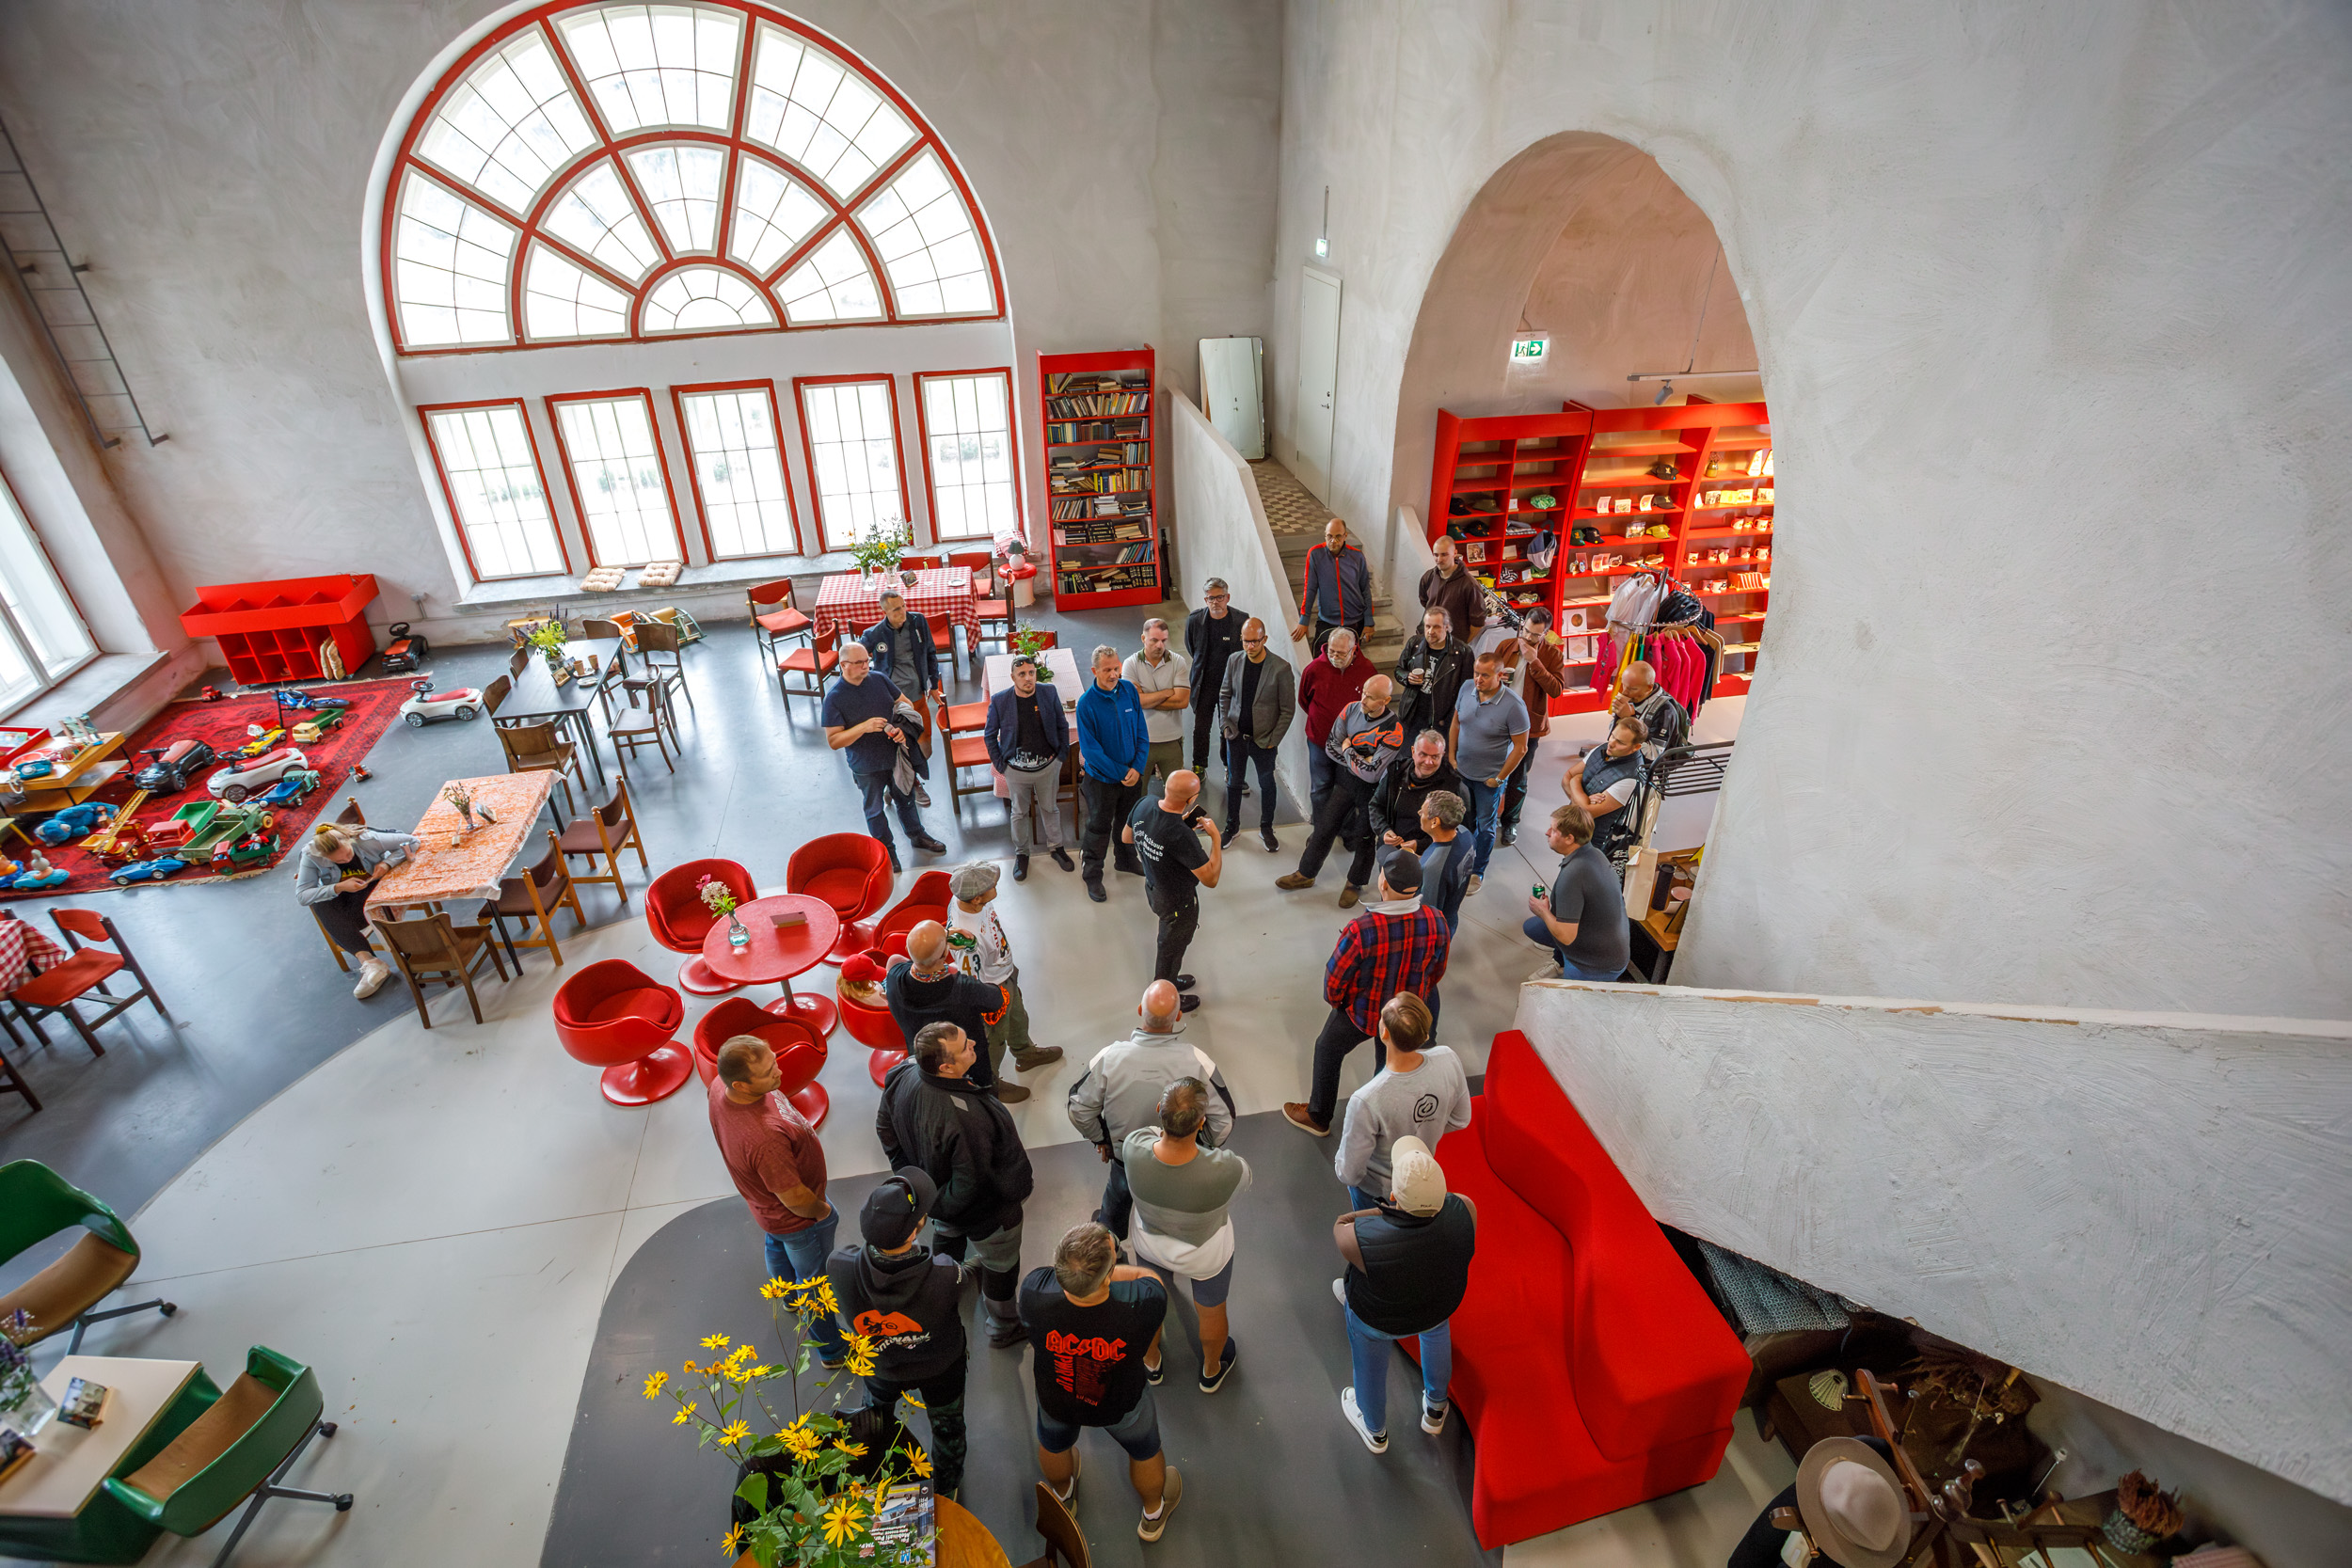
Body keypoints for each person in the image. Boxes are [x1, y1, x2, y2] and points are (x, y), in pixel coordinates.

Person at [1022, 1222, 1184, 1543]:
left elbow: (1060, 1279)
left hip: (1057, 1397)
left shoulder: (1033, 1291)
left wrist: (1089, 1276)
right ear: (1109, 1274)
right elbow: (1151, 1280)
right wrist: (1107, 1273)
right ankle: (1153, 1514)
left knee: (1054, 1444)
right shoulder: (1141, 1304)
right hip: (1120, 1403)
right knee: (1145, 1452)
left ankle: (1064, 1495)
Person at [876, 1021, 1034, 1347]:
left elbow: (885, 1127)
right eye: (965, 1046)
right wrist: (940, 1203)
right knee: (1001, 1265)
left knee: (947, 1235)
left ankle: (946, 1286)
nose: (974, 1042)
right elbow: (972, 1182)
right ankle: (1003, 1325)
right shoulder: (966, 1116)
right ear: (946, 1067)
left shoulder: (903, 1072)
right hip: (985, 1214)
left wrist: (919, 1187)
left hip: (937, 1197)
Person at [1283, 851, 1452, 1137]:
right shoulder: (1436, 920)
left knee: (1327, 1048)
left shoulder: (1362, 929)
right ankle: (1379, 1120)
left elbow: (1334, 981)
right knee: (1386, 1066)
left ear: (1382, 883)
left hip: (1364, 1013)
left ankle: (1319, 1116)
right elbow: (1437, 971)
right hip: (1404, 1016)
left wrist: (1339, 1003)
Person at [826, 1169, 969, 1499]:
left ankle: (875, 1481)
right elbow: (969, 1280)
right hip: (941, 1367)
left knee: (872, 1426)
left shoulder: (838, 1265)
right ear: (918, 1227)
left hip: (880, 1369)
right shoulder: (946, 1274)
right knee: (948, 1429)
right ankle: (947, 1489)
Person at [1333, 1135, 1477, 1454]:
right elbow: (1455, 1202)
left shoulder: (1360, 1238)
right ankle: (1436, 1408)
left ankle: (1374, 1430)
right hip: (1437, 1305)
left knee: (1369, 1367)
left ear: (1394, 1195)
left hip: (1378, 1320)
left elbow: (1341, 1223)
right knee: (1436, 1335)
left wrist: (1384, 1211)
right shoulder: (1465, 1208)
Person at [709, 1034, 847, 1364]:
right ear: (741, 1085)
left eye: (774, 1061)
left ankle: (787, 1297)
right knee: (814, 1284)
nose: (779, 1071)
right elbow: (795, 1199)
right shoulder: (764, 1138)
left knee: (776, 1245)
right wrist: (822, 1211)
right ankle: (832, 1350)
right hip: (798, 1219)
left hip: (768, 1211)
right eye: (769, 1071)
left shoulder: (718, 1087)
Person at [1067, 979, 1236, 1240]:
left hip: (1125, 1157)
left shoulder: (1108, 1058)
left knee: (1116, 1199)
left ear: (1139, 1010)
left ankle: (1110, 1242)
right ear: (1178, 1016)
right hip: (1178, 1158)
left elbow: (1078, 1108)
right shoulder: (1198, 1062)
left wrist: (1102, 1139)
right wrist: (1199, 1144)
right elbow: (1223, 1121)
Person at [1123, 1078, 1249, 1393]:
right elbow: (1244, 1181)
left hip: (1150, 1246)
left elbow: (1150, 1135)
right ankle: (1211, 1370)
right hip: (1204, 1255)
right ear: (1201, 1122)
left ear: (1159, 1110)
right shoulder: (1224, 1168)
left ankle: (1151, 1362)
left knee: (1149, 1304)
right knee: (1211, 1309)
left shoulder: (1133, 1146)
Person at [1333, 993, 1470, 1212]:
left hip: (1377, 1191)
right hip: (1422, 1178)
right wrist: (1426, 1129)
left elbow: (1349, 1173)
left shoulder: (1366, 1100)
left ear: (1384, 1033)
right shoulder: (1448, 1058)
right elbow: (1461, 1119)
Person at [1275, 675, 1403, 906]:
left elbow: (1373, 774)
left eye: (1371, 697)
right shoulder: (1351, 709)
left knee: (1364, 837)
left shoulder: (1394, 729)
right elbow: (1330, 747)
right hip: (1346, 782)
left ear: (1385, 700)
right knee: (1325, 826)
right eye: (1363, 692)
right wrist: (1361, 760)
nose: (1363, 699)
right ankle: (1306, 873)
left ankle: (1355, 883)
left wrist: (1348, 749)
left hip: (1373, 792)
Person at [822, 641, 947, 870]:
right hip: (866, 765)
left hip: (895, 755)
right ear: (843, 664)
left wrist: (900, 729)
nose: (866, 666)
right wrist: (864, 727)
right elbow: (834, 741)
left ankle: (917, 835)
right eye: (859, 663)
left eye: (867, 660)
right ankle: (886, 851)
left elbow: (905, 704)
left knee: (906, 797)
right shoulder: (834, 698)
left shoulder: (879, 679)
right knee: (875, 809)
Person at [945, 863, 1065, 1092]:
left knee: (1018, 1017)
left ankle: (1025, 1054)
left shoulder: (967, 900)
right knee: (995, 1039)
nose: (996, 885)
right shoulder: (969, 939)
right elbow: (972, 981)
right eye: (992, 885)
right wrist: (991, 1002)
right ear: (977, 898)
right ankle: (991, 1084)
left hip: (1004, 973)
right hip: (992, 989)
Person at [1120, 770, 1222, 1009]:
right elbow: (1211, 879)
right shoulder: (1181, 835)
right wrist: (1216, 839)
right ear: (1191, 799)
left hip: (1154, 889)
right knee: (1170, 949)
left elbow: (1127, 837)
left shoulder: (1144, 803)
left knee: (1171, 945)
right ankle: (1164, 996)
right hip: (1178, 903)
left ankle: (1171, 980)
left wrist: (1176, 825)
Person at [884, 921, 1015, 1097]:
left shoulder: (894, 977)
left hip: (926, 1065)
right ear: (946, 953)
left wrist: (940, 943)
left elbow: (899, 962)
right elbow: (997, 999)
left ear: (907, 950)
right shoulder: (963, 988)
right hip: (969, 1065)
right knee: (980, 1096)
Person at [295, 821, 420, 998]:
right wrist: (339, 887)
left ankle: (376, 963)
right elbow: (302, 895)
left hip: (374, 887)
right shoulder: (310, 854)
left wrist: (387, 863)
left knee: (328, 908)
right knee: (320, 903)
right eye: (338, 861)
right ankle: (369, 962)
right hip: (347, 899)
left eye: (348, 854)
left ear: (349, 840)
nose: (346, 860)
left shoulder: (367, 840)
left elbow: (412, 841)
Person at [982, 653, 1073, 880]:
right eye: (1022, 674)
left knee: (1050, 808)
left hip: (1048, 767)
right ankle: (1022, 853)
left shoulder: (1048, 692)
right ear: (1013, 677)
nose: (1028, 678)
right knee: (1019, 813)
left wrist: (1061, 756)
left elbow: (1062, 725)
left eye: (1031, 673)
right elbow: (989, 735)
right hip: (1015, 771)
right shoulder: (1000, 701)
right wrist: (1001, 765)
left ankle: (1057, 847)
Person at [1448, 651, 1531, 888]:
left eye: (1485, 675)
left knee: (1485, 827)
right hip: (1462, 772)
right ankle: (1462, 859)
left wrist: (1500, 779)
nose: (1478, 679)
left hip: (1488, 780)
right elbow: (1456, 723)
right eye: (1476, 673)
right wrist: (1451, 756)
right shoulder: (1466, 688)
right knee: (1464, 820)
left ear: (1500, 675)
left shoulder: (1514, 706)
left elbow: (1521, 748)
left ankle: (1478, 871)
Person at [1075, 644, 1150, 904]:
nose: (1113, 674)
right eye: (1107, 670)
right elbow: (1091, 751)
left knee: (1129, 822)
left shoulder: (1129, 691)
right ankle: (1092, 875)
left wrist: (1138, 767)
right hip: (1102, 781)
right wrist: (1123, 772)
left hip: (1132, 776)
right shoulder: (1086, 704)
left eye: (1116, 668)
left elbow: (1141, 731)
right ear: (1094, 670)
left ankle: (1126, 859)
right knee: (1098, 828)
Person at [1524, 802, 1631, 981]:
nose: (1547, 833)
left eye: (1554, 830)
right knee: (1532, 927)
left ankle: (1574, 966)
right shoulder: (1594, 854)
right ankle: (1561, 961)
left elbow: (1566, 937)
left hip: (1597, 964)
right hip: (1604, 937)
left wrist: (1543, 911)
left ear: (1569, 838)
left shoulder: (1574, 874)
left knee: (1570, 996)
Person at [859, 589, 946, 803]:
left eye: (904, 606)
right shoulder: (874, 634)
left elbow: (931, 653)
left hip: (918, 695)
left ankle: (898, 784)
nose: (903, 612)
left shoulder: (918, 622)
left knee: (925, 744)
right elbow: (856, 659)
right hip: (893, 702)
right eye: (896, 609)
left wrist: (933, 685)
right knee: (903, 746)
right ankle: (912, 784)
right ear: (885, 612)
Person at [1216, 618, 1295, 850]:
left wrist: (1273, 740)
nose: (1250, 646)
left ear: (1264, 639)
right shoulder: (1234, 660)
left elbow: (1287, 710)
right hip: (1236, 736)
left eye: (1255, 641)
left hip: (1264, 741)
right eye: (1245, 641)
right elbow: (1224, 694)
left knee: (1267, 784)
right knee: (1234, 783)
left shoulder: (1281, 668)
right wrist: (1225, 725)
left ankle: (1266, 828)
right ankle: (1231, 827)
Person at [1492, 608, 1565, 846]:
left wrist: (1535, 661)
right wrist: (1496, 679)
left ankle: (1511, 821)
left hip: (1529, 724)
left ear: (1545, 634)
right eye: (1526, 631)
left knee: (1519, 775)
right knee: (1493, 768)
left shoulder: (1552, 654)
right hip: (1500, 719)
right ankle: (1488, 815)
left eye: (1535, 635)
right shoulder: (1506, 646)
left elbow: (1556, 690)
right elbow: (1487, 676)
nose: (1528, 638)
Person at [1297, 626, 1374, 828]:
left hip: (1350, 745)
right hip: (1319, 742)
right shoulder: (1314, 669)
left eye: (1341, 653)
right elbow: (1304, 700)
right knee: (1320, 788)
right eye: (1331, 651)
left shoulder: (1367, 670)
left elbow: (1372, 706)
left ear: (1353, 650)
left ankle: (1345, 831)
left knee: (1346, 790)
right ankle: (1320, 830)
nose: (1334, 656)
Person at [1183, 578, 1249, 782]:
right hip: (1204, 684)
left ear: (1227, 597)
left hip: (1230, 687)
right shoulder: (1195, 620)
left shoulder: (1241, 620)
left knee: (1228, 729)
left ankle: (1229, 767)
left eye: (1220, 597)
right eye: (1211, 598)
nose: (1215, 602)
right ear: (1206, 600)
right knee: (1201, 728)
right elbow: (1192, 648)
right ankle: (1199, 765)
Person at [1568, 715, 1649, 863]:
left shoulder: (1631, 778)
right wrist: (1583, 799)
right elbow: (1566, 777)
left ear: (1636, 747)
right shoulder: (1602, 749)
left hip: (1595, 846)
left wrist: (1575, 782)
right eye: (1613, 736)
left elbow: (1586, 812)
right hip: (1575, 831)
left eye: (1620, 742)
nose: (1611, 743)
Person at [1368, 730, 1462, 857]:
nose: (1428, 762)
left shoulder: (1451, 785)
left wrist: (1420, 845)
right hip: (1391, 848)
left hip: (1429, 855)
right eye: (1423, 754)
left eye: (1435, 757)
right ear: (1413, 751)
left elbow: (1455, 831)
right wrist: (1384, 831)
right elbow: (1375, 805)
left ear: (1442, 755)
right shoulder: (1396, 772)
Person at [1122, 618, 1191, 788]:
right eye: (1154, 640)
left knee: (1176, 792)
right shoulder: (1130, 664)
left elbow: (1182, 701)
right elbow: (1133, 702)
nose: (1160, 645)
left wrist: (1145, 698)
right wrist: (1167, 692)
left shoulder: (1178, 662)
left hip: (1172, 740)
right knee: (1138, 793)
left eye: (1163, 640)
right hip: (1142, 743)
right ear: (1143, 638)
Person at [1292, 515, 1372, 654]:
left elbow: (1365, 589)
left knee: (1348, 659)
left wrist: (1369, 621)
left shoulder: (1357, 556)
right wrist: (1304, 620)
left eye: (1338, 536)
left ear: (1345, 536)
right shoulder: (1315, 554)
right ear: (1325, 535)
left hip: (1354, 621)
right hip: (1327, 621)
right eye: (1329, 536)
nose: (1333, 541)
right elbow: (1310, 588)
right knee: (1320, 658)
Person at [1393, 608, 1470, 742]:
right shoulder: (1415, 644)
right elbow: (1399, 670)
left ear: (1447, 627)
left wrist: (1452, 718)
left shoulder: (1462, 652)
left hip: (1442, 719)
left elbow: (1466, 689)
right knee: (1408, 751)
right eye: (1427, 626)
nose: (1430, 631)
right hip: (1413, 713)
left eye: (1436, 627)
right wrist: (1407, 677)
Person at [1611, 658, 1689, 762]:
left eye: (1633, 689)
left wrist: (1628, 719)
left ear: (1649, 687)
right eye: (1624, 685)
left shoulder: (1666, 711)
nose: (1625, 692)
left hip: (1648, 766)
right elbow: (1613, 735)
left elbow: (1654, 754)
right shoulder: (1630, 698)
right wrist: (1618, 716)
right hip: (1625, 756)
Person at [1416, 791, 1473, 931]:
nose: (1419, 813)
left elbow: (1429, 914)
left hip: (1437, 928)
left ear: (1435, 822)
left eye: (1423, 812)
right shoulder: (1465, 833)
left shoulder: (1433, 868)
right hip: (1452, 912)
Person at [1418, 535, 1486, 641]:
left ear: (1455, 553)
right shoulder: (1428, 577)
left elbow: (1478, 623)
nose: (1439, 559)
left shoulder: (1469, 585)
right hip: (1426, 640)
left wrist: (1461, 645)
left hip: (1451, 644)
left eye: (1444, 554)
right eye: (1436, 555)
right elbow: (1424, 601)